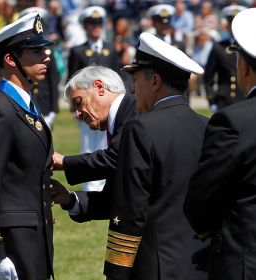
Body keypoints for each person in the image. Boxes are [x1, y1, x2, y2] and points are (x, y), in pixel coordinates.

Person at [52, 32, 209, 280]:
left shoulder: (141, 127)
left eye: (136, 79)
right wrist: (71, 199)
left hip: (155, 265)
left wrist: (117, 269)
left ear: (155, 81)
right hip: (201, 262)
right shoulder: (208, 126)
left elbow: (130, 205)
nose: (133, 88)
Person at [0, 13, 55, 280]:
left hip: (33, 234)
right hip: (13, 240)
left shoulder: (24, 103)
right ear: (10, 59)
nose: (46, 57)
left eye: (44, 50)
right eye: (36, 51)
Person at [184, 8, 256, 279]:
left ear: (244, 67)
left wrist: (212, 236)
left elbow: (202, 197)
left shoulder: (232, 120)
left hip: (243, 255)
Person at [51, 65, 139, 220]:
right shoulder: (120, 119)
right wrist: (69, 199)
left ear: (99, 87)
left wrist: (64, 162)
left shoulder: (135, 109)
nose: (78, 114)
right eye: (74, 109)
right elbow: (112, 200)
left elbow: (117, 159)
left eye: (79, 102)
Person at [68, 6, 119, 191]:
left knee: (106, 144)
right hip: (87, 108)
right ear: (85, 26)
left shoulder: (111, 49)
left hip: (107, 108)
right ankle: (90, 185)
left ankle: (103, 182)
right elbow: (71, 82)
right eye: (92, 24)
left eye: (99, 23)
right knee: (88, 145)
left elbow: (117, 80)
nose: (96, 27)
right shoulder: (77, 51)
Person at [19, 7, 60, 128]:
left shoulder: (49, 54)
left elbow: (53, 81)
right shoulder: (19, 54)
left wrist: (54, 109)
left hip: (44, 105)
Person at [204, 5, 247, 113]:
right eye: (232, 23)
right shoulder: (219, 47)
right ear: (227, 25)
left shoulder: (250, 47)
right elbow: (208, 77)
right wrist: (212, 101)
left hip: (246, 99)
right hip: (225, 100)